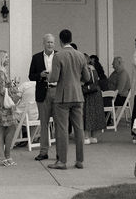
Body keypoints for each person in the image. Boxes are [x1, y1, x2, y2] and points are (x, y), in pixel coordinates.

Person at [46, 29, 87, 170]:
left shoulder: (59, 56)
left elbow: (54, 78)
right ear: (71, 39)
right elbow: (87, 77)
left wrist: (48, 76)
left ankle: (62, 161)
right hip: (78, 96)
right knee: (79, 128)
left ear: (60, 40)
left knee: (62, 129)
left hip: (63, 97)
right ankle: (80, 161)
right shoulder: (80, 55)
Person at [28, 33, 57, 161]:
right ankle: (43, 151)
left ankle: (60, 152)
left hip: (57, 92)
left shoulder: (59, 56)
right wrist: (40, 75)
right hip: (43, 93)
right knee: (44, 124)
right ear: (43, 43)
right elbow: (31, 76)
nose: (50, 44)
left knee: (59, 124)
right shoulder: (36, 58)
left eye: (52, 42)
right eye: (48, 42)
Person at [0, 65, 22, 167]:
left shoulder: (2, 72)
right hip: (4, 105)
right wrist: (14, 89)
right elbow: (2, 90)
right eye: (6, 57)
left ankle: (3, 156)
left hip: (3, 104)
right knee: (10, 128)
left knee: (3, 129)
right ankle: (5, 155)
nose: (7, 59)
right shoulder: (0, 72)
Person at [82, 53, 105, 144]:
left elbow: (86, 80)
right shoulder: (93, 68)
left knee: (87, 114)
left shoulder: (86, 68)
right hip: (96, 92)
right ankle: (93, 137)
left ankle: (86, 137)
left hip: (89, 93)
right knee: (94, 114)